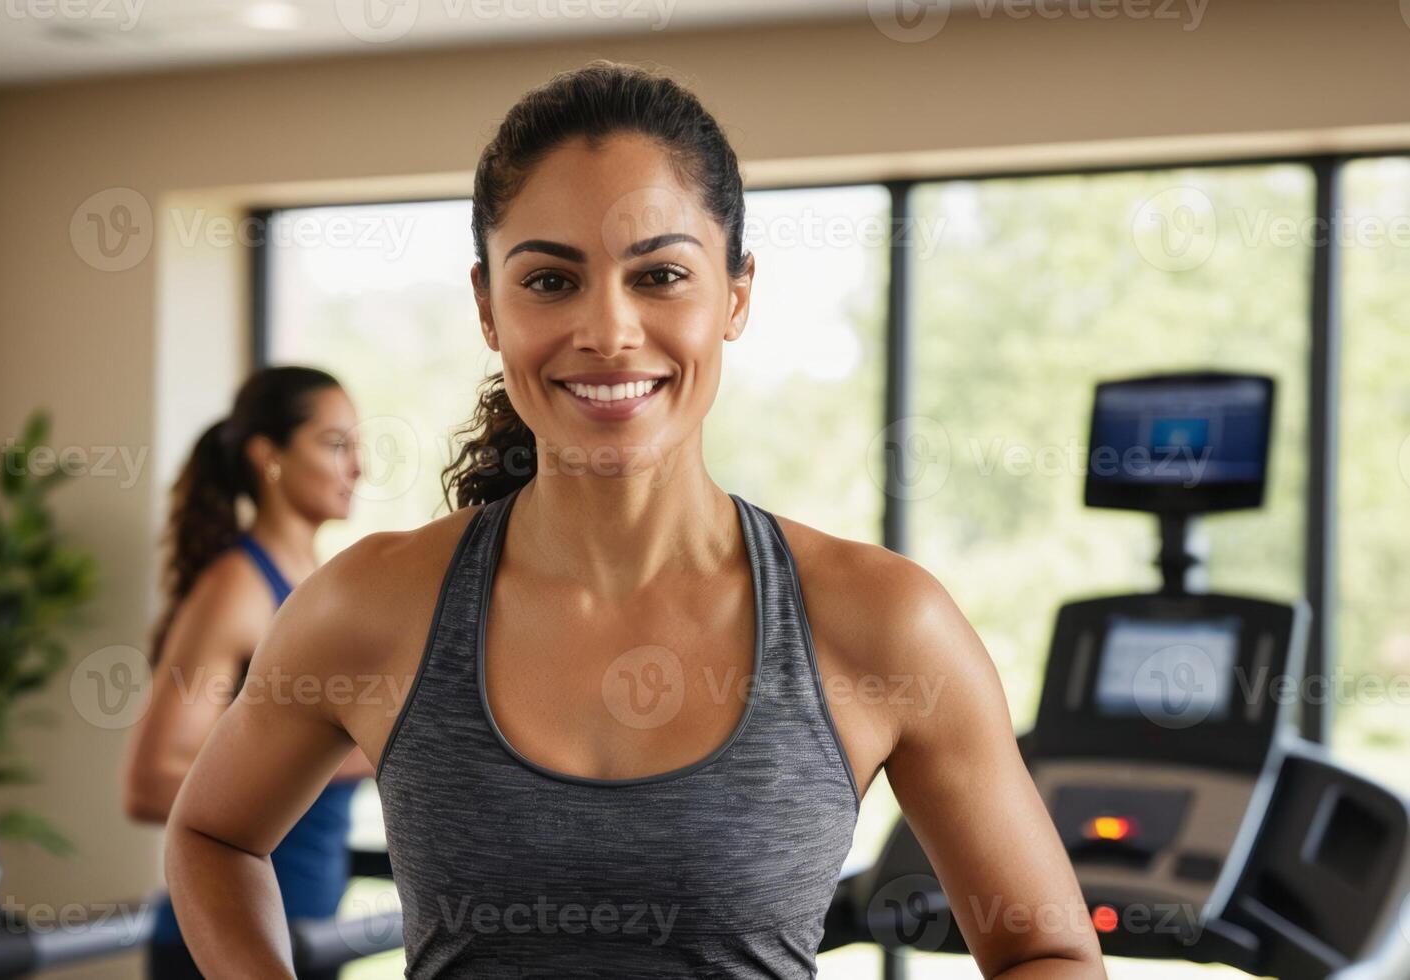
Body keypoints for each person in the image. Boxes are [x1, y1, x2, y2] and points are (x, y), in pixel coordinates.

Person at [163, 61, 1106, 978]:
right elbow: (211, 836)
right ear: (488, 307)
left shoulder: (882, 620)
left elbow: (1045, 951)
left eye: (658, 276)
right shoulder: (371, 603)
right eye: (548, 281)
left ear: (734, 295)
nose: (608, 331)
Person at [124, 366, 373, 979]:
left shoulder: (317, 584)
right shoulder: (238, 589)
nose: (358, 468)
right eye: (335, 444)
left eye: (357, 446)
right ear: (270, 457)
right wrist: (356, 752)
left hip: (302, 935)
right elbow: (151, 783)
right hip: (218, 945)